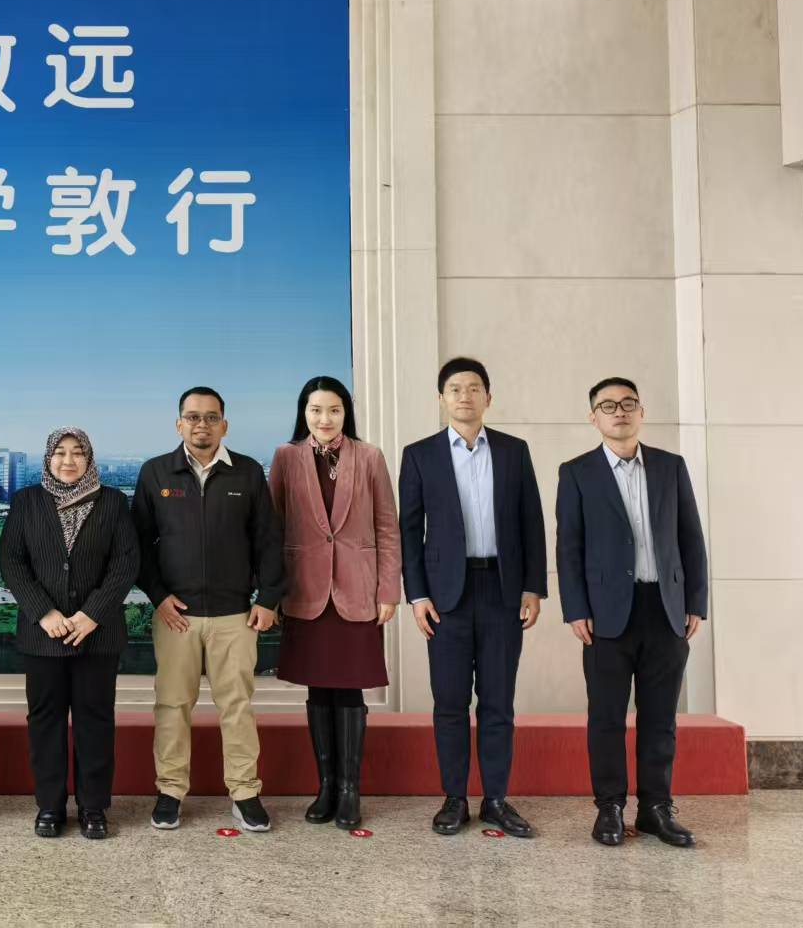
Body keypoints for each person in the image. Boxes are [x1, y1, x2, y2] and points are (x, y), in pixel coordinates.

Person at [398, 357, 546, 838]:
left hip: (503, 591)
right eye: (455, 389)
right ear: (442, 399)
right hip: (446, 597)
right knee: (450, 702)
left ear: (488, 397)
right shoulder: (420, 455)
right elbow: (409, 531)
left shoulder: (513, 451)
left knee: (498, 702)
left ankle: (497, 799)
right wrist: (417, 595)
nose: (465, 396)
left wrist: (532, 586)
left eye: (474, 388)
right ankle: (455, 798)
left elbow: (531, 521)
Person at [558, 377, 708, 849]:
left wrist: (696, 601)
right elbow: (568, 546)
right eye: (608, 405)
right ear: (593, 417)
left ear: (641, 412)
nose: (619, 411)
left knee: (660, 716)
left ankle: (656, 809)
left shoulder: (670, 466)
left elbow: (690, 538)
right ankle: (610, 807)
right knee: (606, 716)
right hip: (605, 615)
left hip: (665, 608)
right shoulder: (577, 472)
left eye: (628, 403)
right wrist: (575, 608)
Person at [131, 387, 284, 834]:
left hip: (235, 616)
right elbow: (137, 544)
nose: (202, 424)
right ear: (179, 423)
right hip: (175, 617)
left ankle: (245, 793)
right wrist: (158, 596)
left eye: (211, 417)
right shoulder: (155, 472)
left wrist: (268, 599)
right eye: (193, 416)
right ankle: (170, 792)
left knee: (237, 707)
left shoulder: (248, 472)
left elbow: (269, 541)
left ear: (225, 425)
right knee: (172, 706)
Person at [271, 375, 400, 831]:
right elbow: (273, 527)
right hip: (304, 590)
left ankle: (350, 789)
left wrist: (388, 590)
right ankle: (325, 786)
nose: (324, 419)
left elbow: (387, 527)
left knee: (349, 688)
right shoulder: (286, 457)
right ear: (303, 413)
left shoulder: (370, 457)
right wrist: (272, 592)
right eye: (316, 410)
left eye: (334, 410)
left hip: (357, 590)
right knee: (318, 689)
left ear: (346, 413)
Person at [0, 427, 139, 840]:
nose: (68, 460)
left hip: (98, 633)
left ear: (89, 459)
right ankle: (50, 806)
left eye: (78, 453)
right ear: (48, 459)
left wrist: (91, 614)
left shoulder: (112, 502)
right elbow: (12, 561)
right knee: (46, 722)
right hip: (43, 634)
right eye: (60, 452)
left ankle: (94, 807)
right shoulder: (26, 501)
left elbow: (125, 563)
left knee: (96, 721)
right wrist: (44, 612)